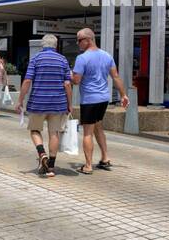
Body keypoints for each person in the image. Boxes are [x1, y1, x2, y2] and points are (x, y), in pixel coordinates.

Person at [70, 27, 128, 175]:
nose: (78, 43)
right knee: (98, 127)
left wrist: (68, 74)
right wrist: (123, 95)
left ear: (89, 40)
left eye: (80, 40)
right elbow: (115, 77)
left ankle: (88, 166)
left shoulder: (82, 58)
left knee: (88, 132)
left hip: (90, 99)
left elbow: (76, 81)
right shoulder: (107, 55)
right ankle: (105, 158)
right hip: (103, 98)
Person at [20, 34, 73, 177]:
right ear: (56, 45)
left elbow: (27, 81)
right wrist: (70, 104)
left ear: (42, 45)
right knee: (53, 133)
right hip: (58, 103)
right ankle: (51, 167)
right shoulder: (63, 60)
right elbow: (67, 84)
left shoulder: (36, 59)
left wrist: (20, 100)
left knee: (35, 130)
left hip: (38, 102)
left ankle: (41, 153)